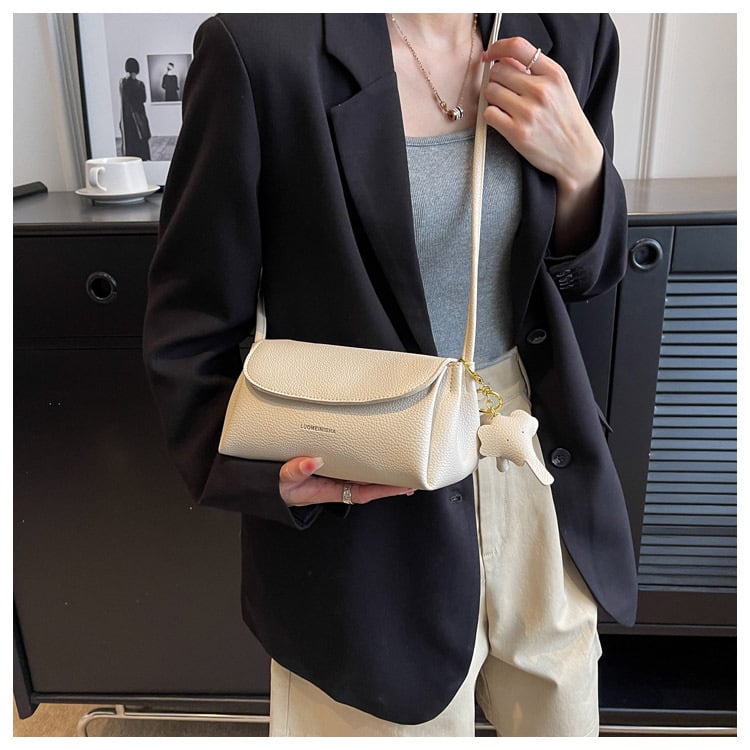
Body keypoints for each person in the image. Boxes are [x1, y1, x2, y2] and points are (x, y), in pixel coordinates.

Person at [143, 13, 638, 737]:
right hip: (364, 493)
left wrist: (585, 174)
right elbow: (191, 319)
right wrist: (257, 471)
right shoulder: (259, 50)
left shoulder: (572, 32)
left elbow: (583, 276)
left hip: (535, 470)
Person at [119, 57, 151, 160]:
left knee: (131, 141)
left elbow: (125, 99)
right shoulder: (140, 84)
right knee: (141, 139)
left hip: (128, 116)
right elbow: (144, 99)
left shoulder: (123, 83)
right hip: (139, 114)